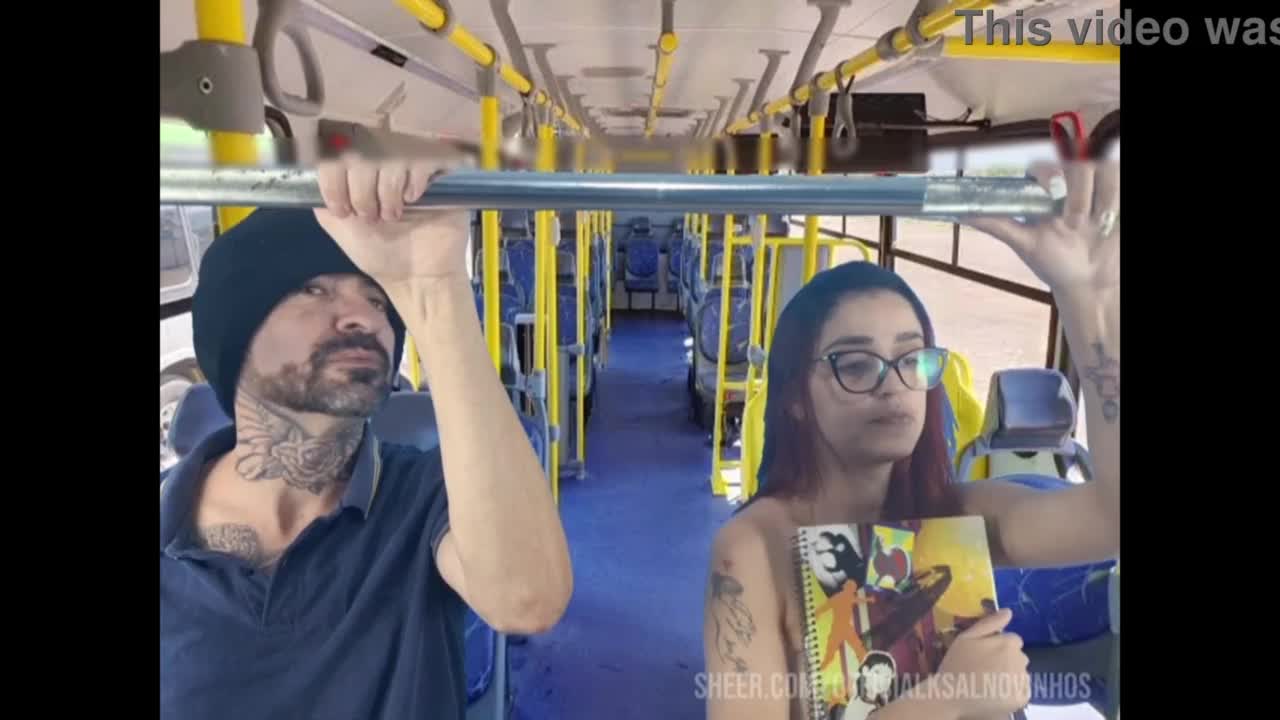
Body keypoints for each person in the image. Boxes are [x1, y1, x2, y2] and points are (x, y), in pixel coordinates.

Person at [159, 152, 573, 720]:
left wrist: (435, 286)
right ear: (237, 331)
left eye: (378, 300)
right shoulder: (169, 520)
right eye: (315, 290)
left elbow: (527, 600)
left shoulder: (425, 494)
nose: (364, 317)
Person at [703, 160, 1119, 719]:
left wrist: (1086, 299)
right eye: (855, 363)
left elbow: (1111, 517)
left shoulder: (960, 513)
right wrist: (948, 697)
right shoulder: (752, 548)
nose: (893, 384)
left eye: (912, 359)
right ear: (795, 397)